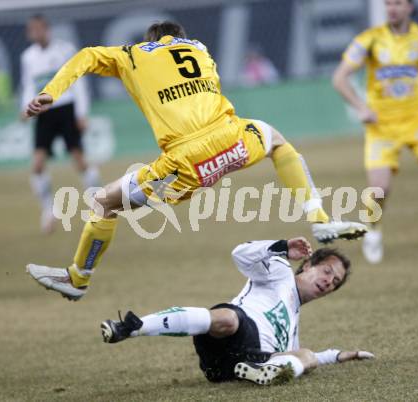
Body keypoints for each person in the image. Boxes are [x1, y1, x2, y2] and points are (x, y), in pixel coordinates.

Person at [25, 21, 366, 301]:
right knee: (276, 140)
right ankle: (319, 218)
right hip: (233, 140)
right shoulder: (199, 49)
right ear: (180, 39)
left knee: (105, 203)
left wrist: (51, 91)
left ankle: (78, 278)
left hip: (184, 164)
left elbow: (85, 56)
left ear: (150, 41)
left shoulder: (131, 54)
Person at [100, 236, 374, 384]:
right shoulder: (279, 271)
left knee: (307, 355)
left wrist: (339, 355)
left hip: (230, 369)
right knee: (228, 318)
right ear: (308, 265)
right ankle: (134, 328)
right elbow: (239, 254)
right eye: (327, 271)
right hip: (231, 335)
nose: (329, 281)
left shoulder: (294, 325)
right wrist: (280, 247)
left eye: (335, 282)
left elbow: (311, 356)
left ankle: (263, 370)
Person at [332, 0, 418, 264]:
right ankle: (373, 230)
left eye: (398, 3)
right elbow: (339, 77)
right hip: (382, 126)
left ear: (410, 8)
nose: (392, 8)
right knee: (379, 190)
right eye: (388, 3)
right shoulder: (370, 40)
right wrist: (361, 107)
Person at [20, 14, 99, 234]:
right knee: (37, 164)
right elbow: (28, 85)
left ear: (47, 29)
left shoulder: (64, 50)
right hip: (44, 113)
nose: (35, 34)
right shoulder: (28, 57)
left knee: (79, 160)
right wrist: (25, 108)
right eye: (31, 30)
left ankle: (99, 201)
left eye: (39, 29)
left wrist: (82, 113)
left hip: (66, 109)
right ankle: (49, 211)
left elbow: (79, 82)